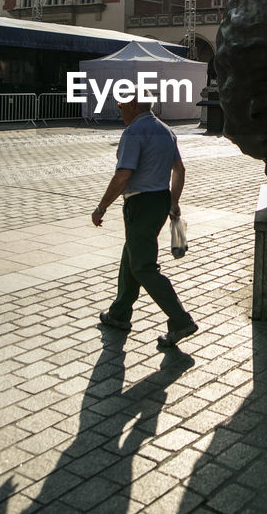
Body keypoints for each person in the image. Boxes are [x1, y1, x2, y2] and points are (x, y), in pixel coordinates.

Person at [92, 97, 197, 348]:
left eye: (122, 107)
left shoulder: (133, 132)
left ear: (133, 107)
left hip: (140, 203)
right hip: (160, 200)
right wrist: (173, 202)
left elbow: (123, 175)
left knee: (143, 265)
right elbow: (179, 169)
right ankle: (119, 313)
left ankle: (181, 320)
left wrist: (101, 206)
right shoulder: (165, 130)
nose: (120, 112)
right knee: (132, 253)